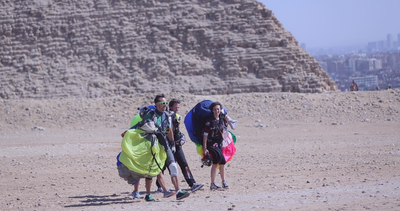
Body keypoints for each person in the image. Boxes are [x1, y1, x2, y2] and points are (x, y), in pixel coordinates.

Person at [141, 94, 190, 200]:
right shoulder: (151, 115)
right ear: (157, 104)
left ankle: (178, 192)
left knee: (173, 166)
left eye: (166, 103)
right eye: (163, 103)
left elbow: (168, 129)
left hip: (165, 145)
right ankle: (148, 194)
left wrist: (172, 143)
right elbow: (143, 129)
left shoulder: (167, 115)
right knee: (154, 171)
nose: (165, 105)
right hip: (153, 146)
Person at [156, 99, 204, 192]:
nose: (177, 109)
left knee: (184, 164)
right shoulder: (165, 117)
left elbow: (176, 131)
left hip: (177, 146)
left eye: (178, 107)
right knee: (163, 166)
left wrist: (181, 137)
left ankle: (192, 183)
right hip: (166, 146)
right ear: (170, 107)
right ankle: (160, 186)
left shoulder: (176, 117)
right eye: (176, 107)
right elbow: (166, 131)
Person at [202, 101, 229, 190]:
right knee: (218, 161)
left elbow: (226, 130)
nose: (217, 111)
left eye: (218, 109)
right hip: (212, 144)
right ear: (212, 111)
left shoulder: (222, 120)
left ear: (220, 110)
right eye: (215, 109)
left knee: (221, 162)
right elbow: (205, 135)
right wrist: (205, 148)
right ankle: (213, 183)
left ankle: (223, 182)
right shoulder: (209, 122)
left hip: (220, 144)